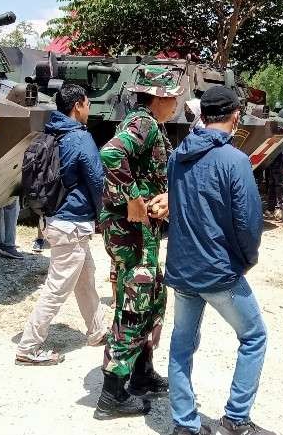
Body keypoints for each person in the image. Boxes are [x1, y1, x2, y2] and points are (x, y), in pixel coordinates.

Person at [165, 86, 274, 435]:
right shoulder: (235, 160)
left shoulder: (177, 156)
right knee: (254, 336)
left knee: (182, 342)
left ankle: (185, 423)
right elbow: (248, 222)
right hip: (218, 271)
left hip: (182, 268)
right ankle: (236, 418)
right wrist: (245, 260)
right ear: (236, 116)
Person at [94, 66, 181, 421]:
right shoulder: (142, 123)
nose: (175, 102)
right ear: (158, 96)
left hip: (140, 234)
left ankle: (141, 373)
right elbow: (111, 154)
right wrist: (132, 196)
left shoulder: (149, 125)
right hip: (131, 233)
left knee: (150, 297)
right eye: (172, 95)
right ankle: (112, 394)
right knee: (135, 303)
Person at [15, 84, 106, 365]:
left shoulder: (52, 131)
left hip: (57, 219)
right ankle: (28, 348)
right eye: (88, 103)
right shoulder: (79, 138)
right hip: (72, 224)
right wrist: (103, 214)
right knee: (57, 288)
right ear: (78, 105)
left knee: (86, 276)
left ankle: (97, 331)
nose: (89, 109)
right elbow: (96, 179)